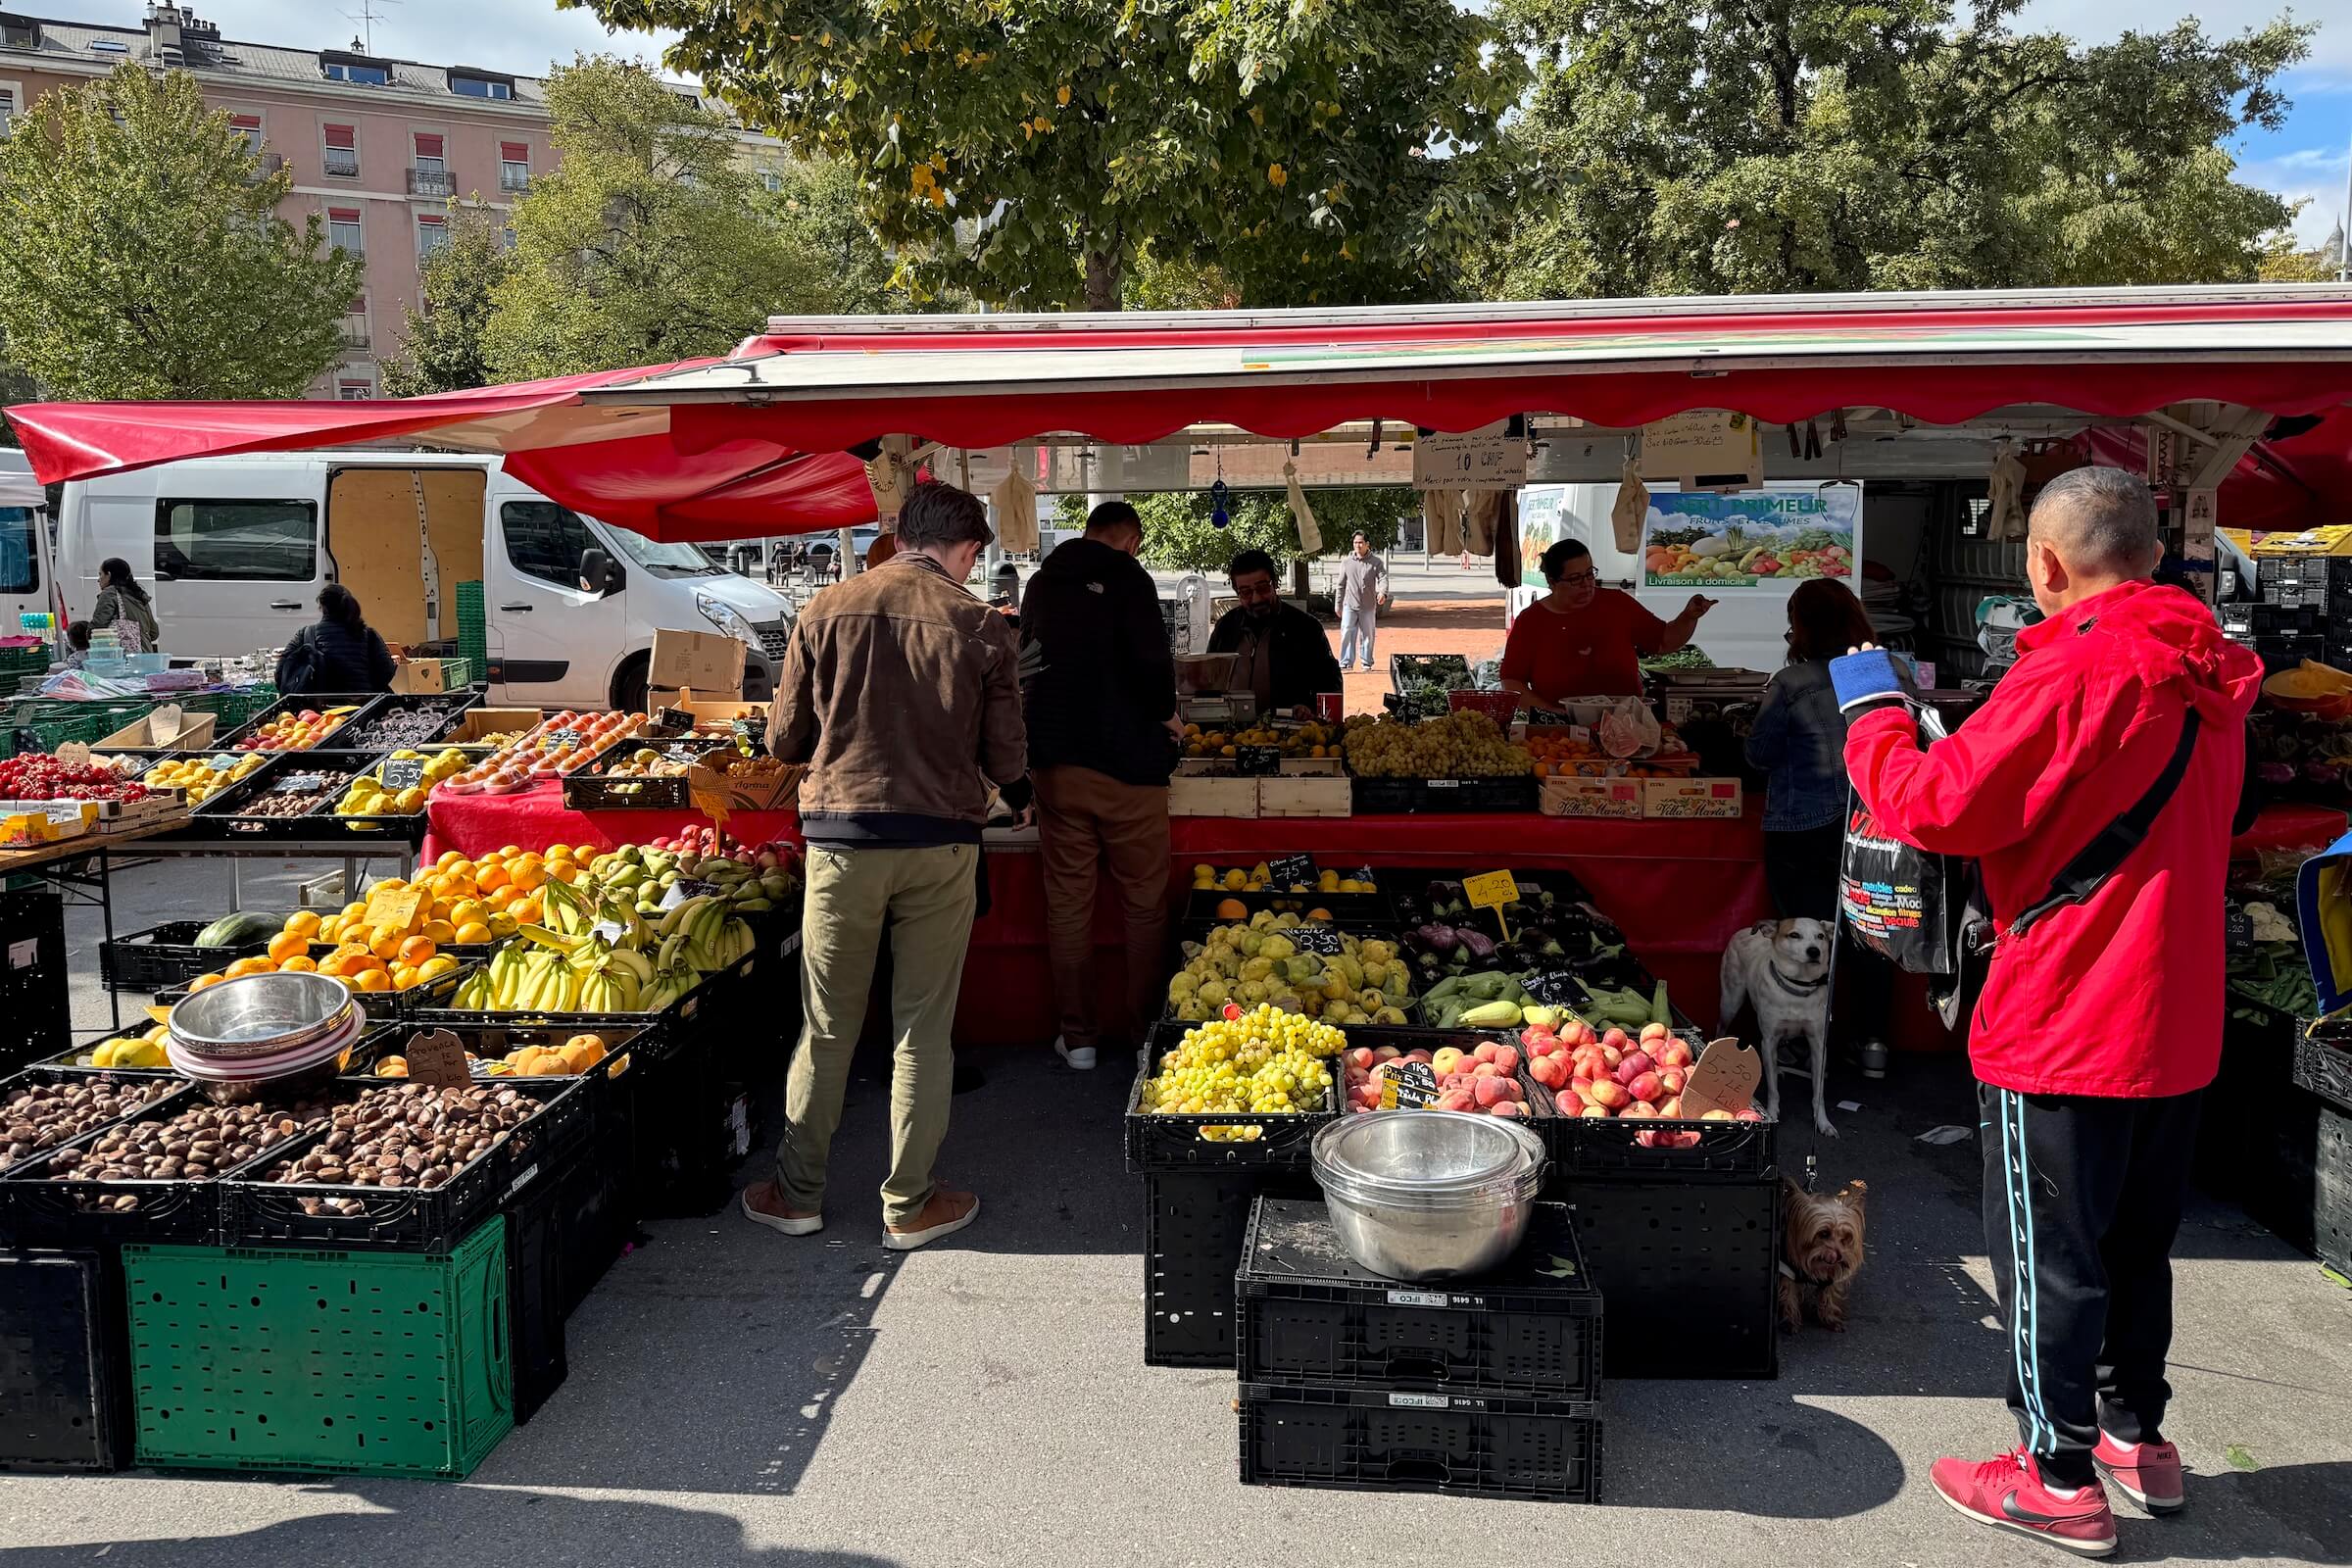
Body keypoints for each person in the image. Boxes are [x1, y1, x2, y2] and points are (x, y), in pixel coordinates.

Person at [1830, 467, 2258, 1554]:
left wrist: (1873, 712)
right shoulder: (2207, 663)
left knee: (2046, 1252)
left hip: (2069, 1010)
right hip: (2175, 1010)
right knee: (2134, 1244)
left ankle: (2053, 1472)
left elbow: (1935, 805)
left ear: (2045, 562)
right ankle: (2134, 1433)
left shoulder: (2078, 666)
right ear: (2152, 554)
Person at [742, 479, 1030, 1252]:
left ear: (901, 538)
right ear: (964, 550)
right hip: (942, 842)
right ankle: (909, 1204)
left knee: (826, 1027)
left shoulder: (823, 608)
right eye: (972, 556)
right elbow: (1007, 757)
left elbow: (783, 742)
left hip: (843, 841)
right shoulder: (980, 623)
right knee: (922, 1032)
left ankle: (796, 1194)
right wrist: (1014, 790)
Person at [1018, 500, 1179, 1073]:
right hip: (1130, 767)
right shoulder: (1131, 579)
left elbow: (1027, 666)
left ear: (1087, 532)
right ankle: (1145, 1036)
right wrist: (1167, 717)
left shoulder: (1041, 584)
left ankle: (1079, 1038)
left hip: (1058, 766)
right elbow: (1153, 666)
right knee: (1145, 905)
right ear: (1131, 540)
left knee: (1068, 904)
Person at [1744, 577, 1889, 1076]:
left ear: (1802, 627)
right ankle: (1873, 1043)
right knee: (1871, 936)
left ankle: (1803, 1046)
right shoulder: (1889, 672)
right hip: (1877, 825)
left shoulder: (1792, 683)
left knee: (1806, 937)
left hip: (1802, 827)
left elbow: (1759, 755)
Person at [1500, 539, 1714, 707]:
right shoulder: (1531, 621)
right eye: (1575, 579)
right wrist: (1552, 713)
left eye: (1589, 574)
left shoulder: (1617, 603)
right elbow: (1512, 681)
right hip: (1560, 730)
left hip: (1625, 720)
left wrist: (1688, 617)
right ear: (1552, 581)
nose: (1586, 584)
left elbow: (1664, 641)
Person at [1205, 548, 1343, 717]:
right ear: (1237, 593)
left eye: (1262, 588)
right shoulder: (1225, 627)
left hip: (1290, 730)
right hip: (1230, 730)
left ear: (1275, 583)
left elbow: (1330, 684)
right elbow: (1209, 681)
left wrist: (1309, 708)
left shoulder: (1306, 627)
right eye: (1246, 592)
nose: (1256, 598)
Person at [275, 584, 394, 695]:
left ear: (322, 607)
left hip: (318, 708)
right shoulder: (369, 635)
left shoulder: (306, 635)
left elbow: (281, 673)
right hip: (364, 705)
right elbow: (386, 672)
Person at [1333, 532, 1389, 673]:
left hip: (1368, 606)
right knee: (1347, 632)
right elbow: (1340, 585)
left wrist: (1382, 592)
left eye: (1360, 542)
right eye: (1355, 542)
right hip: (1350, 605)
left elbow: (1383, 578)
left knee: (1368, 635)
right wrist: (1338, 605)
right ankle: (1346, 662)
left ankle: (1366, 662)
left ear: (1367, 544)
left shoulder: (1376, 562)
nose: (1357, 545)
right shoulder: (1347, 562)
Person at [89, 558, 159, 656]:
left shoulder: (109, 593)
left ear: (109, 575)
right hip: (145, 655)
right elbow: (154, 632)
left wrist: (87, 638)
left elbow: (98, 626)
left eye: (100, 574)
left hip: (120, 657)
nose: (98, 580)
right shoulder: (139, 595)